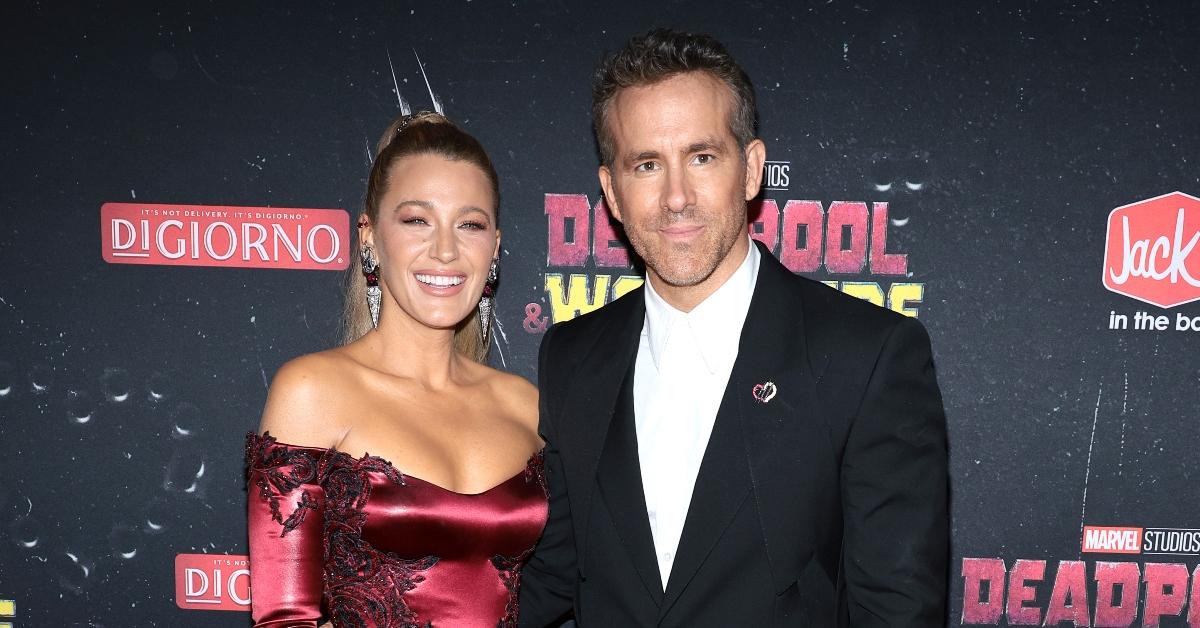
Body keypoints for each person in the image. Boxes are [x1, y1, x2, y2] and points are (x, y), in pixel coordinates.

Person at [520, 29, 949, 627]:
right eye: (646, 165)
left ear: (750, 170)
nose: (675, 197)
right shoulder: (571, 355)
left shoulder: (865, 357)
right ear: (612, 193)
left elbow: (896, 611)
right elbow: (551, 572)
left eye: (701, 157)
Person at [245, 112, 545, 628]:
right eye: (416, 220)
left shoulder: (527, 404)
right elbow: (283, 620)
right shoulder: (313, 391)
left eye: (470, 224)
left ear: (495, 249)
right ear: (369, 236)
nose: (446, 250)